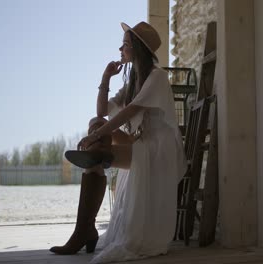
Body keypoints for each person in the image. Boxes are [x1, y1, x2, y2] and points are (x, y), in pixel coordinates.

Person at [49, 21, 186, 263]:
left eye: (125, 45)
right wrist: (105, 77)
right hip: (139, 142)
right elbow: (102, 110)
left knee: (97, 143)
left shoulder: (157, 76)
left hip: (157, 150)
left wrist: (93, 137)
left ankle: (84, 230)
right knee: (96, 122)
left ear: (138, 49)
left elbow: (129, 112)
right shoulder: (134, 79)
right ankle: (95, 162)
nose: (120, 49)